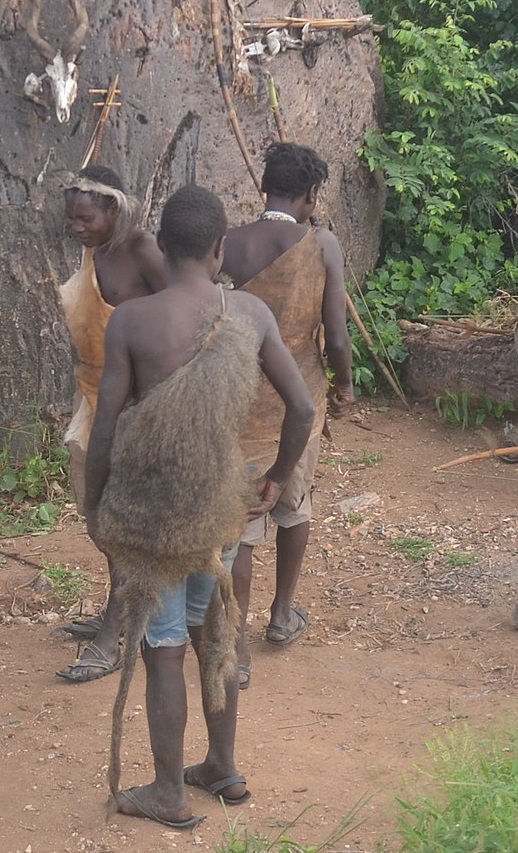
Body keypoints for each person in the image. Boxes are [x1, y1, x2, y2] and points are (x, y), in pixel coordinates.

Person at [86, 185, 314, 827]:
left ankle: (168, 791)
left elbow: (105, 427)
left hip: (155, 511)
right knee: (214, 633)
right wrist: (275, 478)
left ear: (162, 245)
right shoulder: (250, 313)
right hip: (222, 506)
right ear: (219, 249)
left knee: (162, 649)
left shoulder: (132, 320)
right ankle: (221, 766)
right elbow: (301, 408)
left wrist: (94, 503)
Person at [221, 142, 355, 689]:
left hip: (239, 399)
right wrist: (344, 388)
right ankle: (282, 616)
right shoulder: (321, 244)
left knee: (244, 528)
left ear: (263, 189)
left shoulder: (227, 244)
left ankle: (237, 649)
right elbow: (337, 335)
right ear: (310, 195)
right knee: (294, 506)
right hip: (300, 397)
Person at [56, 165, 167, 683]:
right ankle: (116, 611)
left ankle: (113, 634)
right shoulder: (96, 251)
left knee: (119, 518)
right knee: (98, 512)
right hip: (96, 396)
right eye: (72, 219)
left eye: (86, 219)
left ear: (114, 212)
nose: (76, 227)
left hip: (135, 404)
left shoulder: (143, 250)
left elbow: (181, 309)